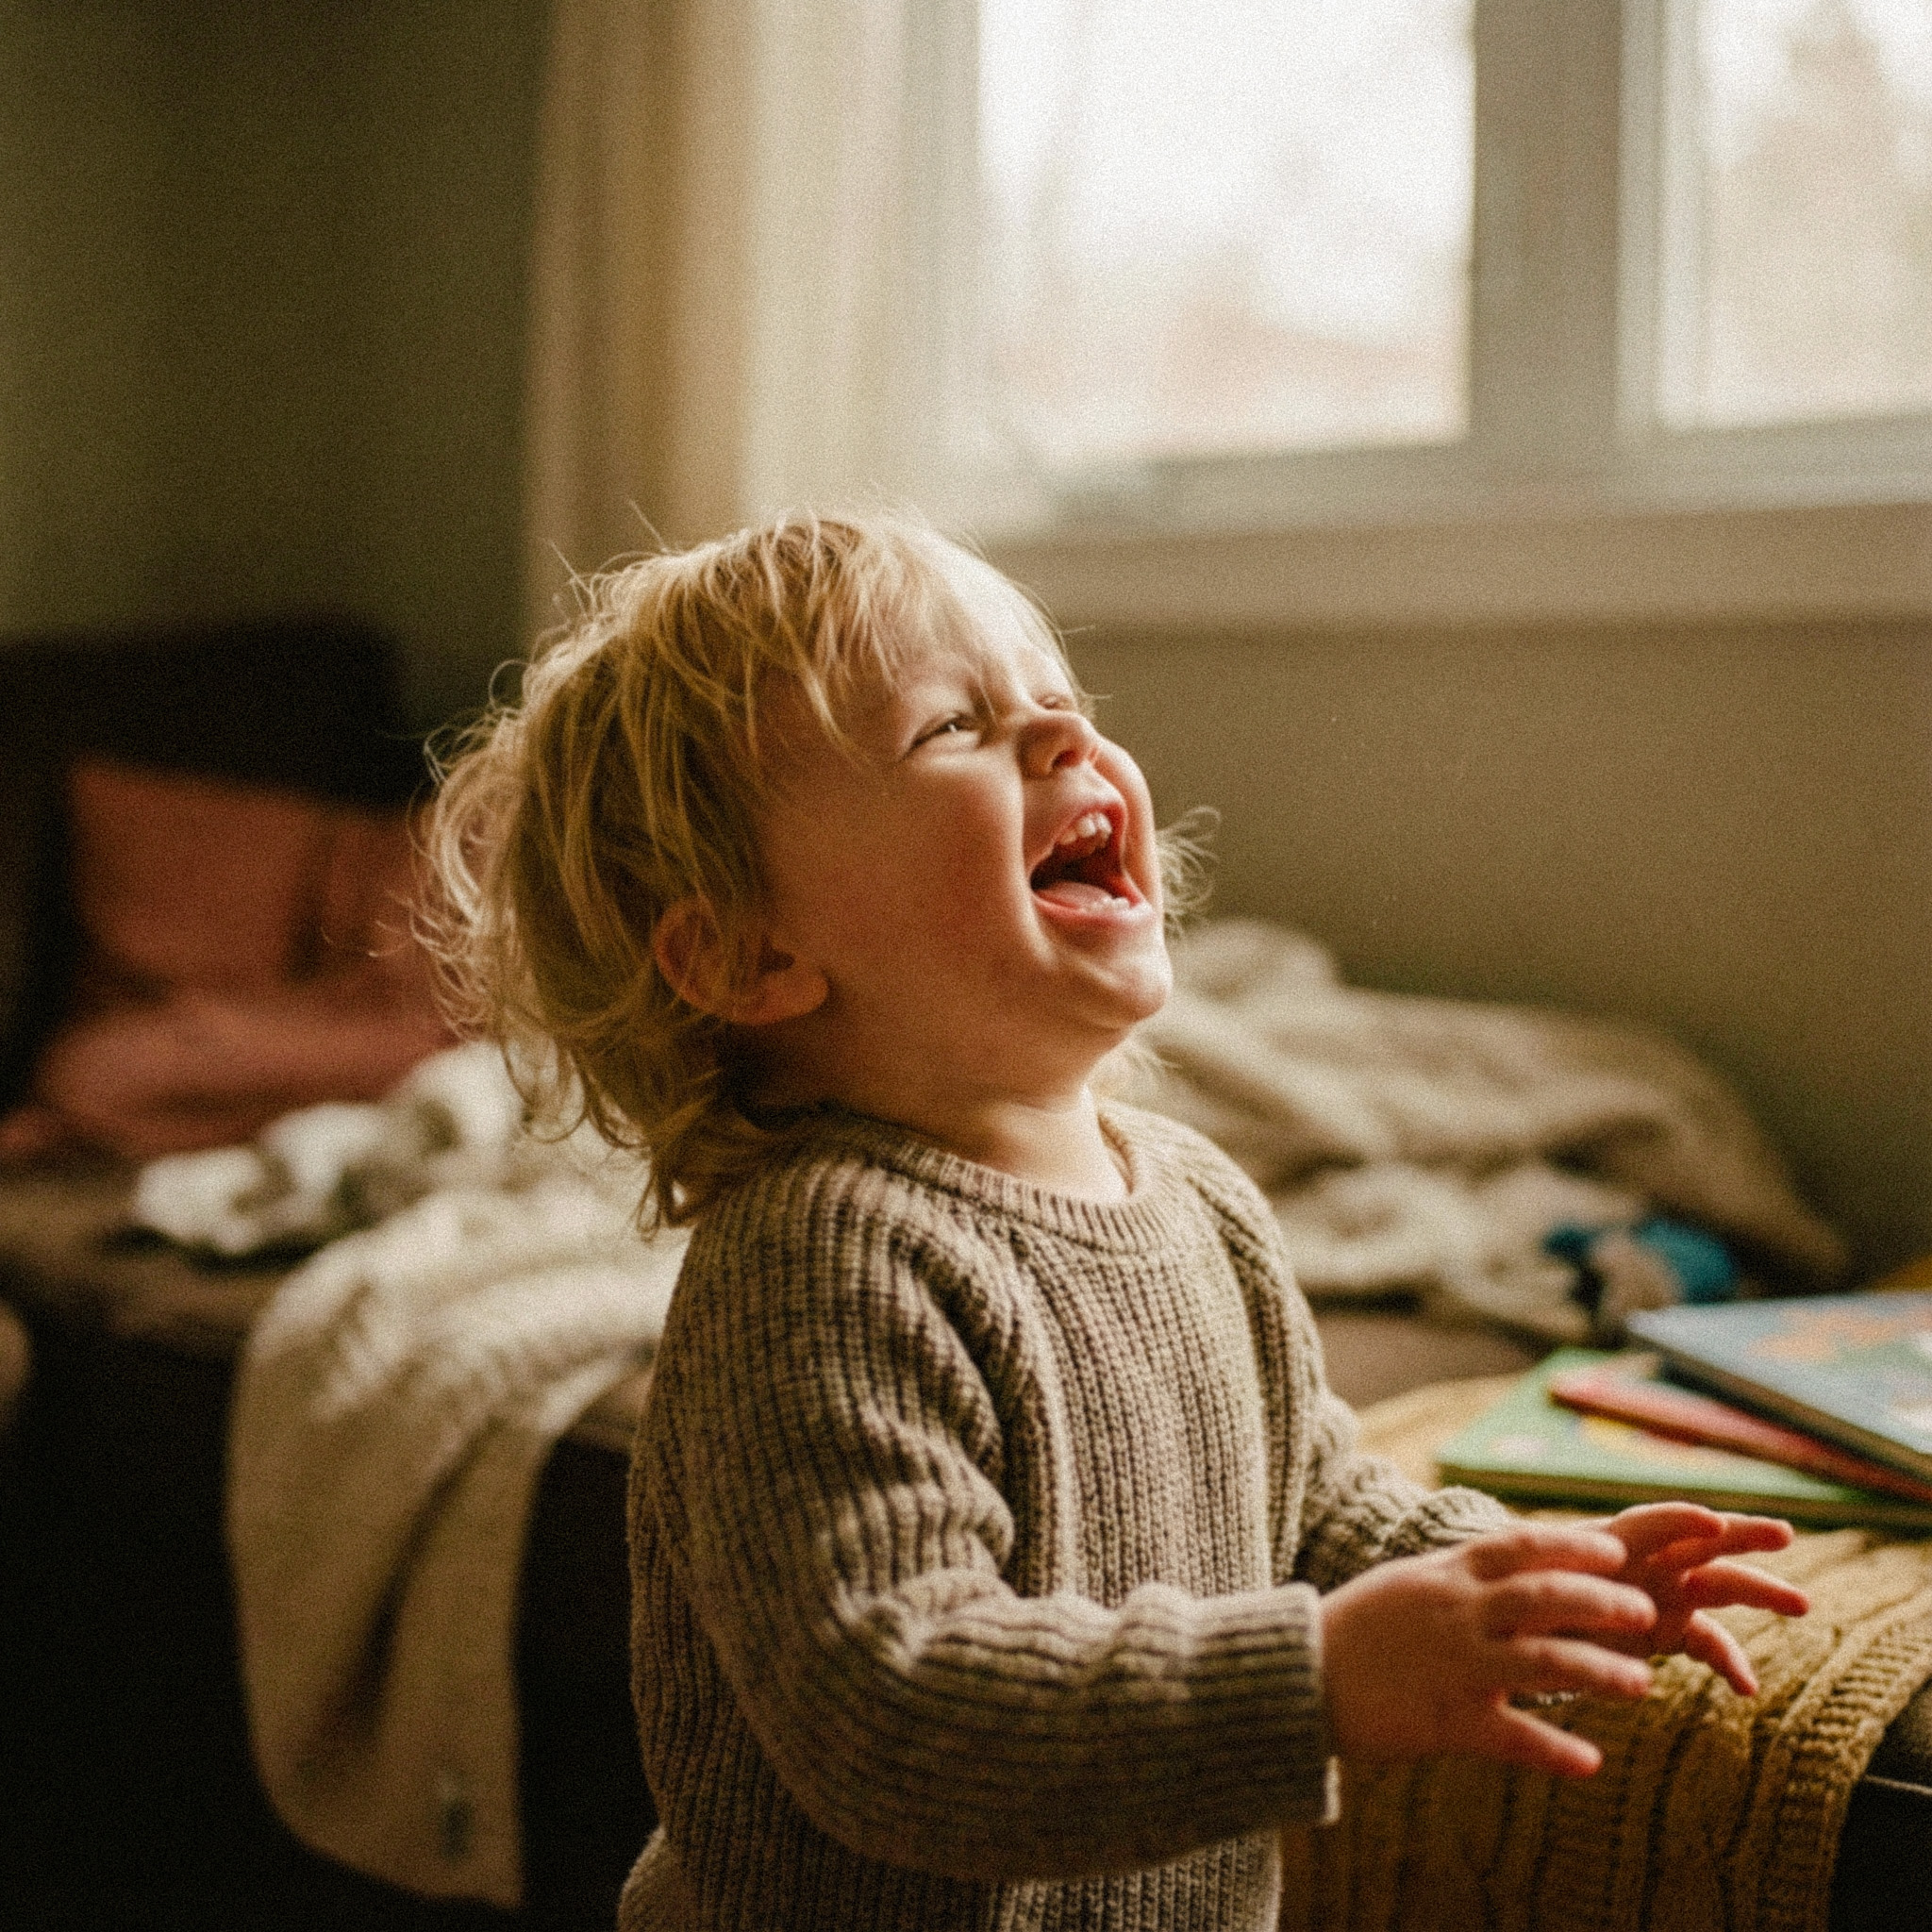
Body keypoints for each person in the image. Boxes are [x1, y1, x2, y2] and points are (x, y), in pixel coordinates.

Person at [429, 512, 1809, 1932]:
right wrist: (1323, 1676)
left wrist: (1504, 1578)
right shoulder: (821, 1257)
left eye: (1060, 701)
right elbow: (894, 1712)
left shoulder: (1198, 1195)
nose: (1057, 739)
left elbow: (1308, 1506)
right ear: (750, 954)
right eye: (953, 726)